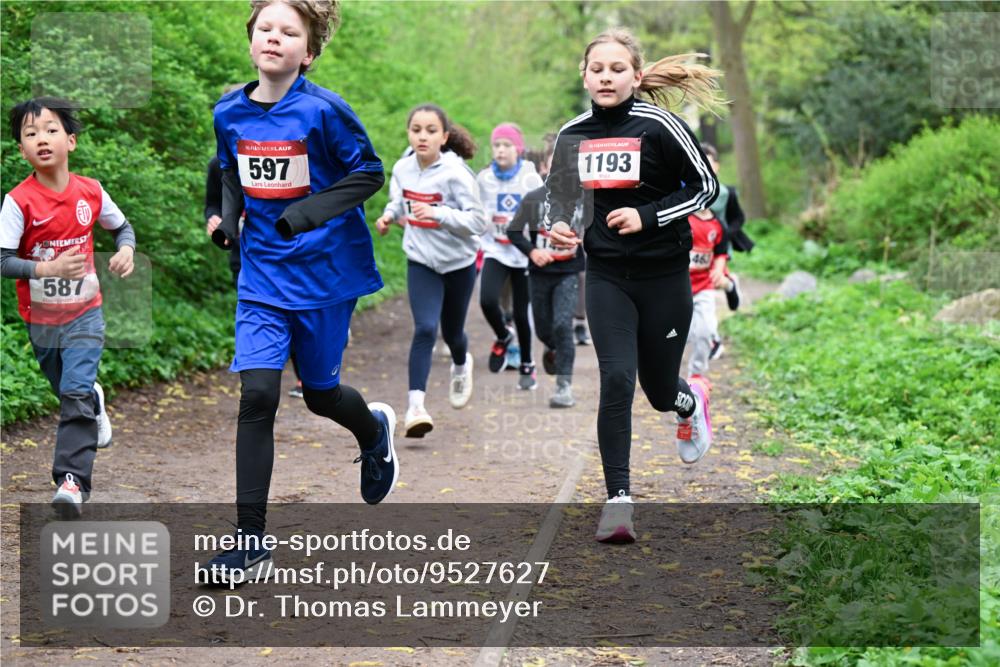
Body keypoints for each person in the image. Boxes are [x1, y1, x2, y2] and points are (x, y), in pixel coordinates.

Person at [205, 0, 396, 582]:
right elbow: (228, 174)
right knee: (258, 394)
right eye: (266, 28)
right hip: (262, 275)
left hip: (324, 274)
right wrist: (220, 217)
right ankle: (249, 542)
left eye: (290, 32)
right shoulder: (229, 112)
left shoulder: (324, 111)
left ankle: (372, 430)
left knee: (319, 394)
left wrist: (305, 215)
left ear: (307, 53)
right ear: (251, 40)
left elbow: (369, 172)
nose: (275, 38)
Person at [546, 28, 722, 543]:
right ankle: (618, 501)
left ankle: (692, 403)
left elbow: (705, 186)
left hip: (665, 276)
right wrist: (560, 224)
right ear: (584, 75)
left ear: (636, 76)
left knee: (660, 392)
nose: (606, 76)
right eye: (597, 68)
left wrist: (649, 215)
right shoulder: (572, 133)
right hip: (605, 277)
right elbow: (560, 199)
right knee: (618, 379)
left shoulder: (661, 125)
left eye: (617, 68)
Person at [1, 97, 135, 516]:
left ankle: (71, 482)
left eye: (50, 130)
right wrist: (48, 268)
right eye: (30, 133)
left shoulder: (90, 191)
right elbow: (2, 260)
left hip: (84, 312)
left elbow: (122, 226)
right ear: (21, 149)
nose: (41, 139)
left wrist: (126, 249)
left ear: (70, 141)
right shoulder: (18, 202)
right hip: (41, 320)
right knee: (69, 391)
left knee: (73, 393)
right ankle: (92, 397)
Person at [375, 104, 486, 438]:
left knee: (452, 333)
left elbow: (477, 222)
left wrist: (439, 214)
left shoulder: (456, 173)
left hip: (458, 262)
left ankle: (461, 363)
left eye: (431, 130)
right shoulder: (402, 168)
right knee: (424, 328)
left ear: (445, 137)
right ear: (409, 134)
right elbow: (399, 202)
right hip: (421, 259)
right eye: (416, 130)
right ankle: (415, 407)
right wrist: (388, 216)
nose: (423, 136)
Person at [507, 175, 584, 408]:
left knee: (562, 325)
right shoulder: (534, 199)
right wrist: (532, 252)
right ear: (545, 169)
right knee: (543, 329)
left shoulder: (584, 199)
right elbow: (514, 231)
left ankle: (564, 387)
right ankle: (553, 348)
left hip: (569, 272)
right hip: (540, 273)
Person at [476, 123, 543, 389]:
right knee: (488, 300)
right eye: (497, 145)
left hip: (523, 251)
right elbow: (476, 212)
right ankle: (503, 336)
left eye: (507, 145)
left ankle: (528, 364)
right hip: (495, 248)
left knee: (521, 312)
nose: (501, 150)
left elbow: (541, 215)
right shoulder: (483, 179)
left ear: (518, 149)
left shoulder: (530, 177)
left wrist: (537, 248)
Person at [701, 143, 753, 360]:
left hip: (719, 248)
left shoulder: (727, 193)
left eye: (707, 161)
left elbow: (738, 218)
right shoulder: (686, 189)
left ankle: (712, 338)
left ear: (717, 166)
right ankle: (711, 337)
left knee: (709, 288)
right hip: (696, 248)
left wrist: (724, 233)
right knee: (702, 289)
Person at [685, 206, 732, 381]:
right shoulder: (683, 217)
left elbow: (721, 254)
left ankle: (696, 375)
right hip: (679, 286)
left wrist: (719, 271)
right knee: (685, 332)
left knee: (705, 331)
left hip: (704, 287)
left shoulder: (718, 225)